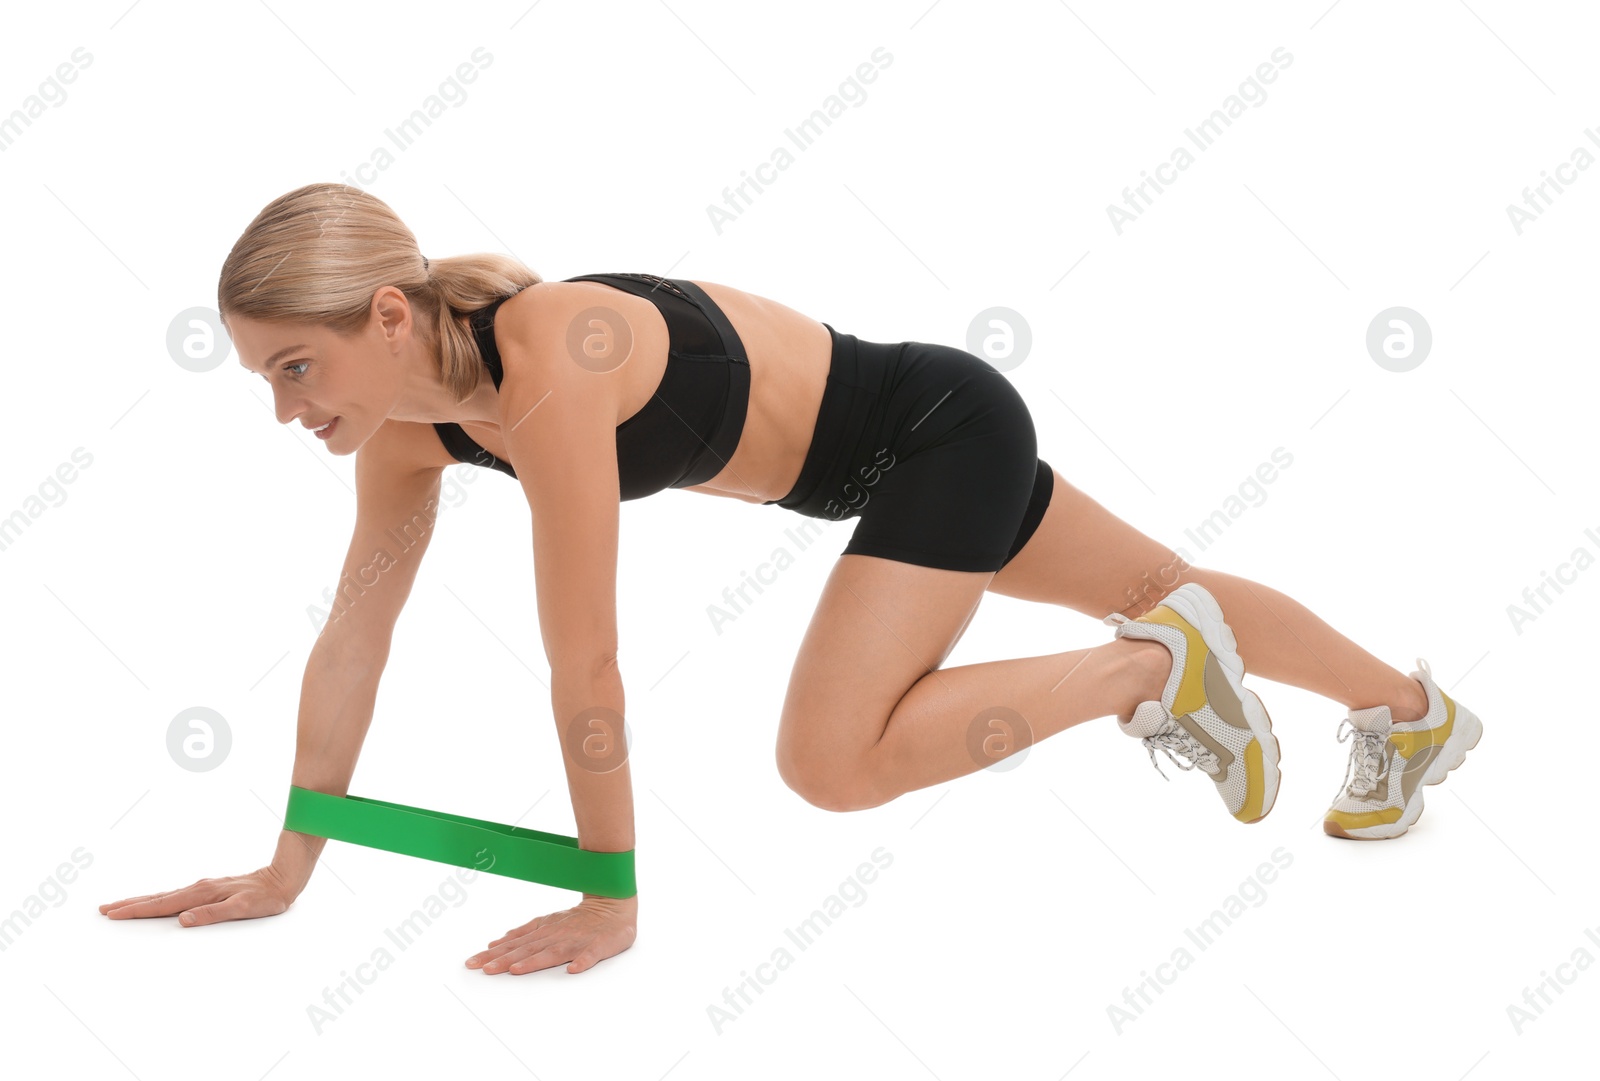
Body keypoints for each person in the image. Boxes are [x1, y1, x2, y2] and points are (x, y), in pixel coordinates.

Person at [98, 182, 1483, 975]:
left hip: (931, 429)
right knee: (1178, 578)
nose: (284, 407)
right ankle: (1408, 713)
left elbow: (586, 656)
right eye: (262, 377)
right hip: (908, 451)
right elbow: (354, 640)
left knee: (833, 757)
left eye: (295, 366)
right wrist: (293, 859)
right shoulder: (406, 440)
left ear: (386, 316)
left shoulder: (554, 358)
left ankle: (1150, 668)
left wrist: (609, 889)